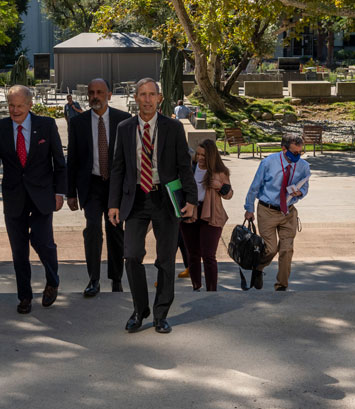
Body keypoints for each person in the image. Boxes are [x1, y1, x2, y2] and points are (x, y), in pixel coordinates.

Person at [108, 78, 197, 334]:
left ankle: (160, 314)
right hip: (135, 198)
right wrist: (113, 203)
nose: (147, 99)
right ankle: (140, 309)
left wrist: (191, 200)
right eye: (142, 95)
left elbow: (184, 167)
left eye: (151, 95)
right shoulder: (125, 128)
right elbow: (118, 169)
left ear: (159, 98)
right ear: (135, 98)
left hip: (165, 199)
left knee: (166, 260)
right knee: (132, 255)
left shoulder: (173, 127)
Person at [0, 85, 67, 315]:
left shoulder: (46, 126)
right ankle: (25, 297)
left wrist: (60, 192)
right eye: (11, 105)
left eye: (19, 105)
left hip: (42, 196)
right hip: (14, 197)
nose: (15, 110)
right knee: (19, 251)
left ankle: (53, 280)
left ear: (30, 105)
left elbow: (59, 163)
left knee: (43, 242)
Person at [66, 78, 132, 297]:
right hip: (91, 186)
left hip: (116, 187)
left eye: (100, 92)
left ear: (109, 95)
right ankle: (93, 279)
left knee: (115, 233)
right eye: (92, 92)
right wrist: (70, 193)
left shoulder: (124, 120)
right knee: (92, 229)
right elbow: (72, 159)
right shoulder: (78, 123)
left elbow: (130, 158)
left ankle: (116, 279)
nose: (95, 96)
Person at [243, 133, 311, 291]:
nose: (298, 156)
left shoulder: (303, 166)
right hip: (267, 210)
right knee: (271, 248)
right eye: (294, 153)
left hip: (288, 212)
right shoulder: (268, 162)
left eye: (300, 152)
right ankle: (258, 268)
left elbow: (305, 186)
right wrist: (249, 208)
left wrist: (300, 193)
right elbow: (255, 186)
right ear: (283, 149)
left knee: (287, 249)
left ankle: (281, 285)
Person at [181, 139, 232, 291]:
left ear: (211, 156)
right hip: (191, 213)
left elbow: (229, 194)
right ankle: (196, 286)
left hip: (211, 214)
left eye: (203, 155)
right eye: (198, 154)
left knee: (209, 255)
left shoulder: (220, 172)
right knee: (193, 254)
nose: (200, 157)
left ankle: (211, 290)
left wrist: (220, 186)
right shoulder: (190, 168)